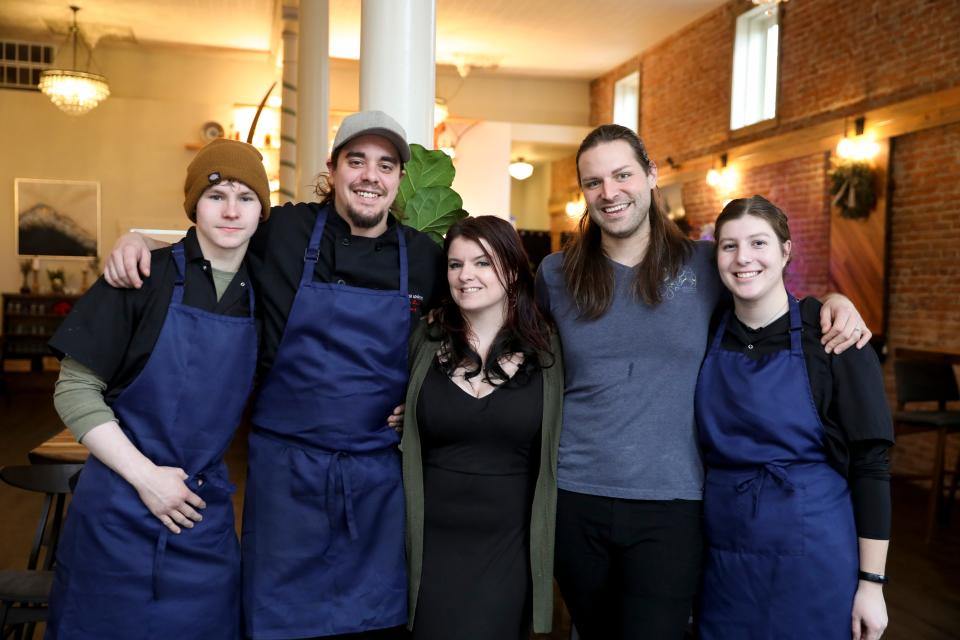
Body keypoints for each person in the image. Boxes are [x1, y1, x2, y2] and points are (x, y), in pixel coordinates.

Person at [103, 111, 446, 639]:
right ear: (333, 169)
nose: (370, 176)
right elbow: (211, 232)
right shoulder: (284, 230)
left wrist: (421, 403)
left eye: (385, 164)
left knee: (373, 625)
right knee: (277, 624)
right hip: (285, 475)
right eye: (356, 161)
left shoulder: (424, 258)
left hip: (376, 480)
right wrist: (134, 238)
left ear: (399, 177)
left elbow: (460, 343)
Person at [534, 124, 872, 639]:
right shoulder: (556, 274)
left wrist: (833, 302)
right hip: (575, 494)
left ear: (650, 176)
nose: (609, 192)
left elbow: (768, 296)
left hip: (676, 499)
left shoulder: (703, 264)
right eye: (593, 182)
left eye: (622, 174)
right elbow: (522, 356)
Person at [45, 139, 270, 639]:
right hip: (117, 512)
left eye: (246, 197)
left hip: (199, 512)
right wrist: (147, 478)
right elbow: (74, 389)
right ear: (194, 205)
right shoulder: (141, 275)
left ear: (262, 211)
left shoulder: (267, 290)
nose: (231, 211)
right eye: (216, 196)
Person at [695, 195, 892, 640]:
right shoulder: (705, 330)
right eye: (729, 246)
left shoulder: (834, 336)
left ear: (786, 251)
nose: (744, 258)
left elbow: (872, 466)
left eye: (759, 243)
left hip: (815, 553)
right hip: (723, 556)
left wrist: (872, 584)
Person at [400, 215, 562, 640]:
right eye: (455, 265)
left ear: (510, 268)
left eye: (482, 263)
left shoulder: (548, 348)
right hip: (427, 547)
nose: (465, 275)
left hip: (507, 551)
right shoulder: (426, 338)